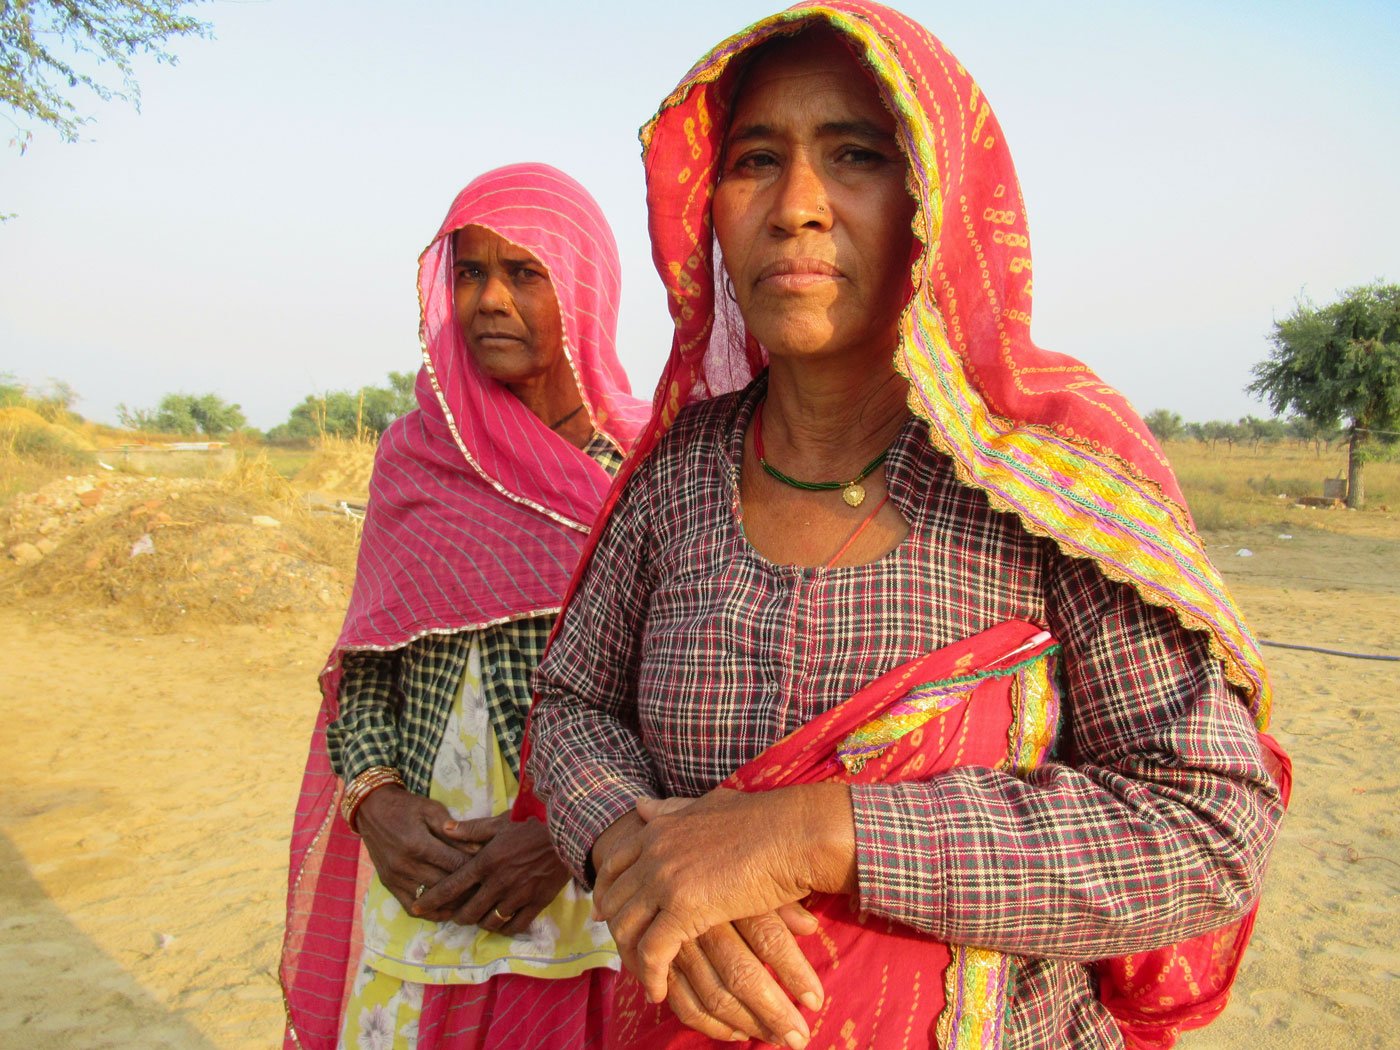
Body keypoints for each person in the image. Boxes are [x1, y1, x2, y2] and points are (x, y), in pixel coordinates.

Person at [523, 5, 1289, 1048]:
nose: (796, 207)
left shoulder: (1041, 483)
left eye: (854, 156)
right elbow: (571, 705)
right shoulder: (676, 475)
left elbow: (1208, 829)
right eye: (755, 160)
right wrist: (639, 856)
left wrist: (813, 833)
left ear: (935, 193)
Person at [279, 162, 649, 1050]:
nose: (490, 299)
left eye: (525, 273)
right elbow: (366, 670)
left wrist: (567, 834)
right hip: (427, 880)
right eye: (470, 273)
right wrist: (376, 804)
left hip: (593, 877)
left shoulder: (641, 466)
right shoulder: (416, 456)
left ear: (585, 290)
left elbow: (677, 689)